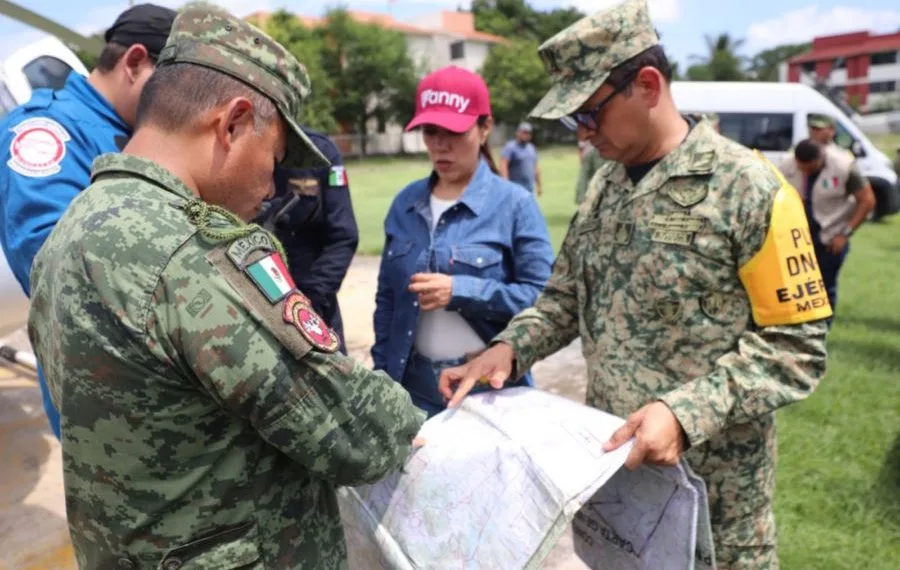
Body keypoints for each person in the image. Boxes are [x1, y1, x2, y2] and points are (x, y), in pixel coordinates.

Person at [27, 5, 425, 568]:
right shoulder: (198, 253)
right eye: (274, 157)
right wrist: (409, 421)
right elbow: (350, 431)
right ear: (233, 123)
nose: (271, 185)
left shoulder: (70, 228)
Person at [439, 1, 831, 568]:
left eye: (589, 114)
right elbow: (565, 296)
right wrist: (508, 347)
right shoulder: (604, 187)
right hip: (620, 499)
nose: (582, 132)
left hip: (716, 509)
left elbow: (797, 347)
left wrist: (684, 414)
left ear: (647, 85)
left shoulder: (750, 189)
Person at [0, 3, 176, 439]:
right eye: (172, 87)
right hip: (106, 415)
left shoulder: (134, 131)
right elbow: (51, 267)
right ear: (134, 62)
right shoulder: (45, 133)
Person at [372, 65, 554, 418]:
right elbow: (387, 299)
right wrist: (383, 375)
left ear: (485, 128)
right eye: (430, 131)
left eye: (454, 131)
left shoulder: (515, 205)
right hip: (412, 388)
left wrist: (463, 289)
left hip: (491, 389)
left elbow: (545, 301)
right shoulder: (405, 204)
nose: (441, 145)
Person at [259, 130, 359, 354]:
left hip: (313, 303)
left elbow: (343, 236)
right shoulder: (231, 148)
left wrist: (310, 301)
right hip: (252, 306)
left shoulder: (319, 152)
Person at [779, 139, 875, 318]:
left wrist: (845, 234)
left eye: (808, 167)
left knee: (824, 285)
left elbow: (867, 200)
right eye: (801, 167)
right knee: (796, 286)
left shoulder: (844, 166)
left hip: (832, 235)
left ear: (820, 158)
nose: (804, 172)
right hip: (798, 237)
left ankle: (823, 327)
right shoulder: (786, 165)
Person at [500, 121, 543, 196]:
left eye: (529, 133)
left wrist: (539, 186)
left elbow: (536, 169)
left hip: (529, 189)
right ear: (517, 133)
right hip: (515, 190)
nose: (526, 135)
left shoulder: (531, 148)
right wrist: (506, 186)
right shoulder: (510, 147)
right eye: (524, 132)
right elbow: (503, 167)